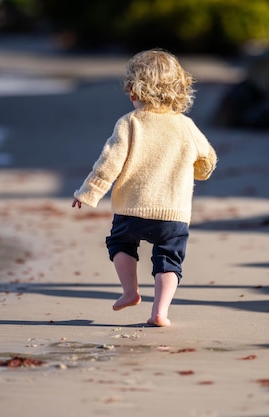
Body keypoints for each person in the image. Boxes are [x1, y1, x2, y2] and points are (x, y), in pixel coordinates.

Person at [72, 49, 217, 326]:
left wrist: (88, 192)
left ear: (134, 92)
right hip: (173, 213)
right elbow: (207, 158)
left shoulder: (130, 123)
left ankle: (130, 292)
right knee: (169, 259)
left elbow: (108, 164)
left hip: (132, 209)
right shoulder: (186, 125)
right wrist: (199, 171)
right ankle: (160, 312)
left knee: (120, 243)